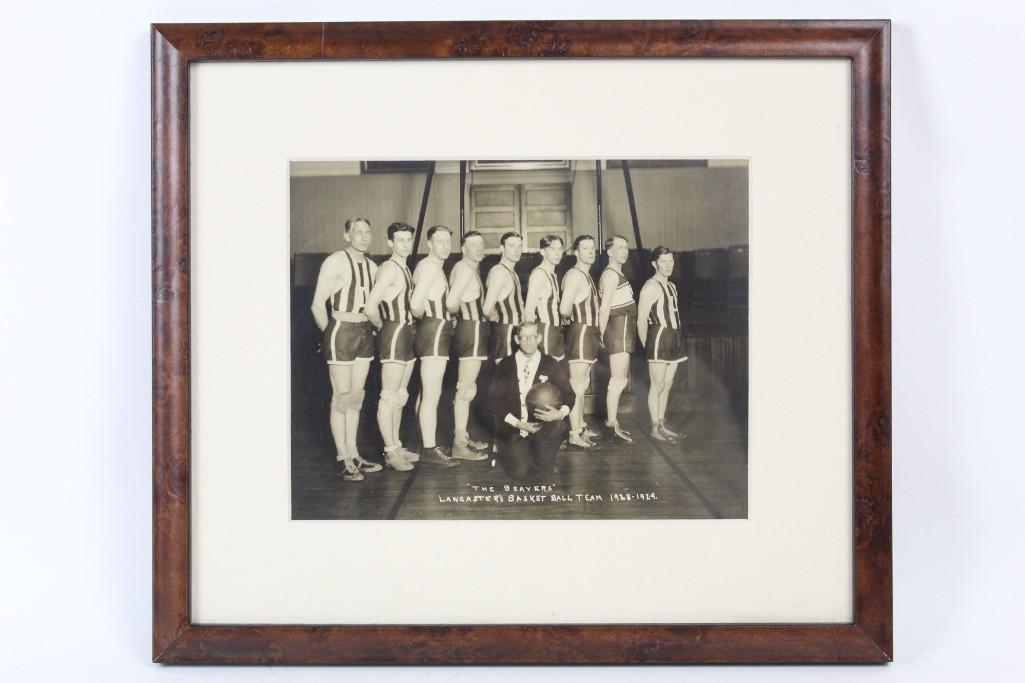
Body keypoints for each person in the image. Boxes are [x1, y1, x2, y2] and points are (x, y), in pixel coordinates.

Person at [309, 217, 382, 482]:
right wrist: (330, 335)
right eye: (357, 232)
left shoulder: (373, 267)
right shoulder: (335, 261)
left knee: (356, 396)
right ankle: (343, 458)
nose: (363, 236)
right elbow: (317, 305)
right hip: (340, 330)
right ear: (347, 236)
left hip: (364, 332)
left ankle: (354, 453)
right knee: (341, 396)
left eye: (367, 232)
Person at [364, 223, 432, 471]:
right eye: (399, 240)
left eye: (408, 240)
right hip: (394, 333)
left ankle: (396, 444)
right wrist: (385, 327)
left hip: (408, 333)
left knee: (401, 396)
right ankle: (390, 452)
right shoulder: (390, 270)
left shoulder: (404, 268)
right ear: (390, 243)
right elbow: (370, 307)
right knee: (389, 396)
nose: (404, 244)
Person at [489, 321, 575, 481]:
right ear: (516, 339)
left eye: (532, 337)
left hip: (541, 428)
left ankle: (542, 459)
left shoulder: (550, 363)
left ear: (539, 338)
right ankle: (537, 460)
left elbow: (570, 395)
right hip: (515, 429)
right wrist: (517, 423)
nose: (528, 341)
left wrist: (559, 413)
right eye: (524, 337)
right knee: (520, 473)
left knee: (560, 427)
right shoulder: (505, 365)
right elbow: (494, 400)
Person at [410, 225, 460, 467]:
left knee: (426, 392)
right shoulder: (430, 268)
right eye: (439, 241)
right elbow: (415, 305)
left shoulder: (430, 267)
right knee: (432, 393)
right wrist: (431, 320)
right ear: (428, 244)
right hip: (434, 332)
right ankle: (429, 448)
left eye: (448, 241)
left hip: (434, 331)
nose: (445, 246)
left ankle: (422, 442)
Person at [446, 231, 491, 461]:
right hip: (470, 330)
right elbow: (451, 302)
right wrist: (460, 318)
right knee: (465, 389)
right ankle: (459, 444)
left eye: (481, 244)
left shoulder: (470, 268)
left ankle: (462, 437)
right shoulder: (464, 269)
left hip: (474, 330)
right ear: (463, 248)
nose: (479, 248)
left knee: (468, 388)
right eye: (473, 245)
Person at [637, 246, 688, 441]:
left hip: (674, 337)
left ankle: (662, 423)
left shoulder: (672, 286)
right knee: (657, 384)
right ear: (654, 264)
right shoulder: (651, 286)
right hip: (658, 338)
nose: (668, 265)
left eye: (671, 261)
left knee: (667, 384)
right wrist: (646, 347)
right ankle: (654, 427)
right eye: (664, 261)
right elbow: (641, 320)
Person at [559, 235, 602, 448]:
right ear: (576, 253)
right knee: (577, 385)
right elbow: (564, 308)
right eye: (585, 249)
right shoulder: (575, 276)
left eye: (593, 248)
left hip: (588, 333)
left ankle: (580, 426)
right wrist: (574, 326)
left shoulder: (586, 275)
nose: (591, 252)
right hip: (581, 332)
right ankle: (574, 434)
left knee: (582, 384)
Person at [598, 234, 637, 442]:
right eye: (620, 247)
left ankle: (612, 423)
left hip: (623, 328)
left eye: (626, 248)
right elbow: (604, 308)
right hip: (618, 329)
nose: (624, 251)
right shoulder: (611, 274)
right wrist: (600, 333)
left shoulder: (616, 273)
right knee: (618, 379)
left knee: (620, 379)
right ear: (609, 251)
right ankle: (611, 425)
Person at [482, 231, 524, 359]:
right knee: (505, 375)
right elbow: (487, 309)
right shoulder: (499, 272)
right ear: (502, 248)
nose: (517, 250)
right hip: (505, 333)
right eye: (512, 246)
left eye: (519, 246)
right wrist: (498, 321)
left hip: (514, 332)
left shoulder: (512, 272)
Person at [523, 234, 566, 361]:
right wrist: (530, 338)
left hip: (555, 331)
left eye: (560, 249)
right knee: (545, 376)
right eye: (552, 249)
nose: (557, 253)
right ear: (542, 251)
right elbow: (529, 310)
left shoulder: (552, 273)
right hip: (545, 330)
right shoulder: (539, 274)